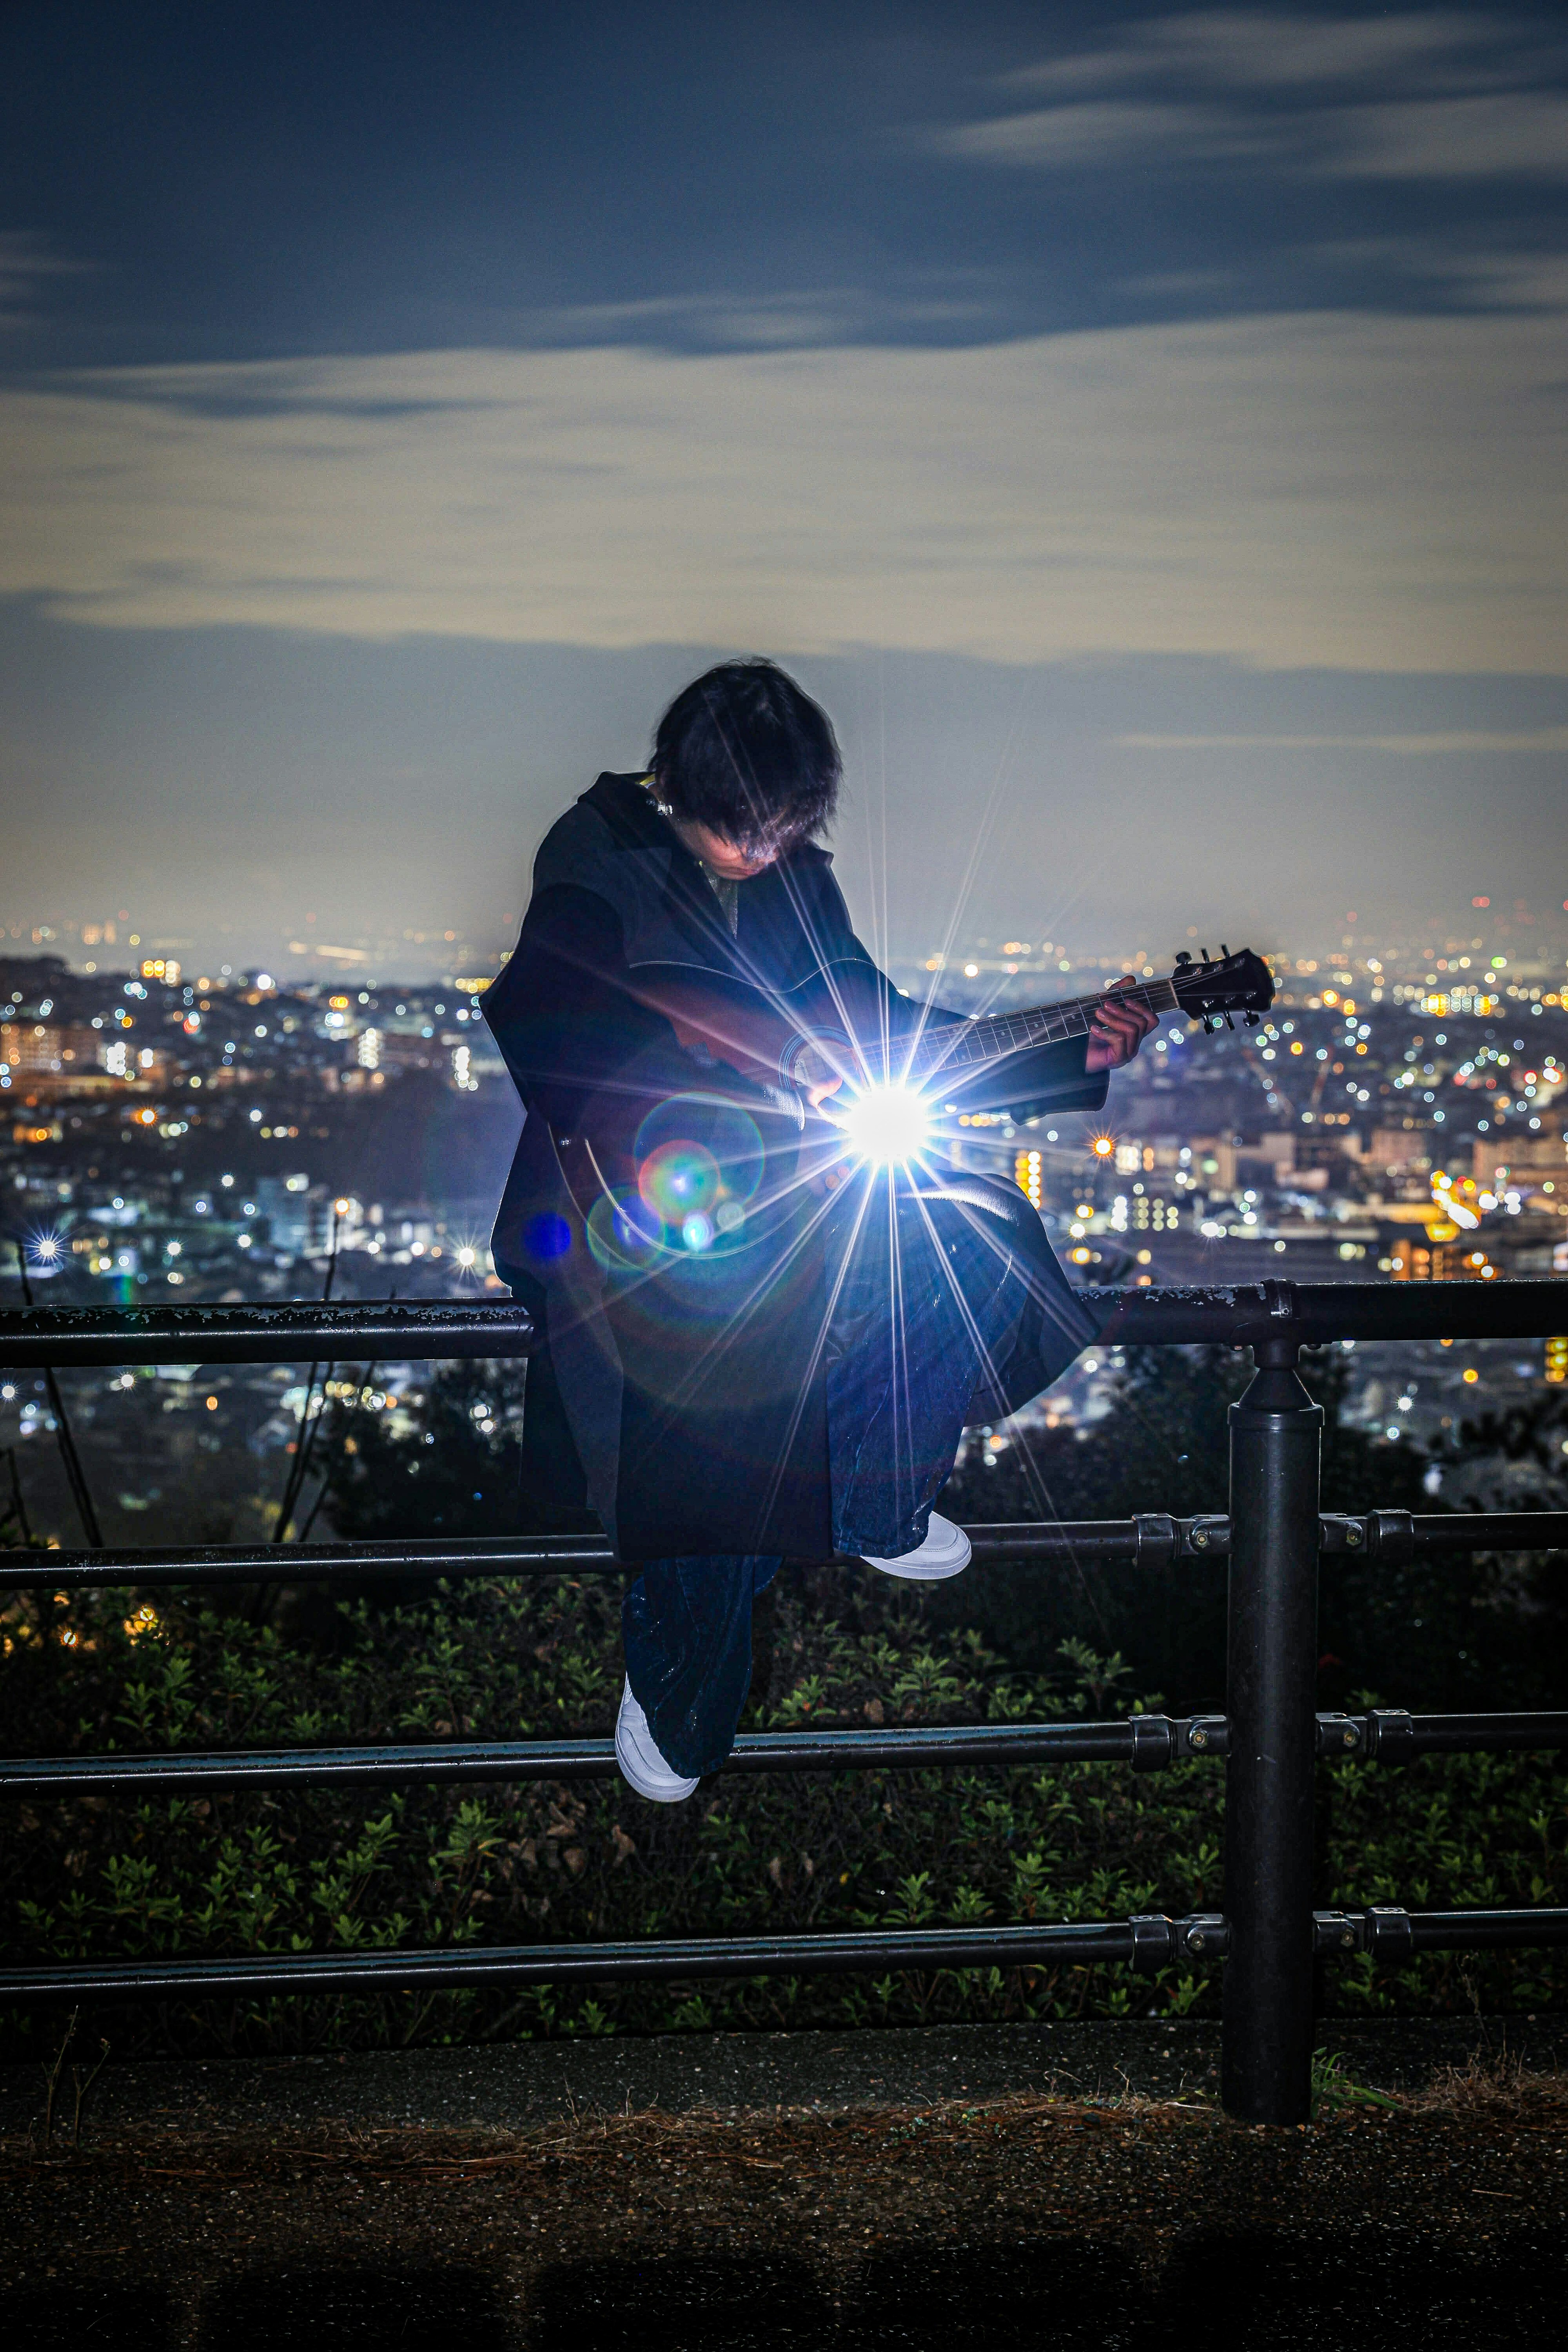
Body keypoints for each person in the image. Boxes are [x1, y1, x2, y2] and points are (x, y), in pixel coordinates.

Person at [483, 660, 1153, 1801]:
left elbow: (873, 1021)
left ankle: (872, 1498)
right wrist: (767, 1046)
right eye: (744, 832)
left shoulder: (796, 879)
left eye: (784, 832)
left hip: (789, 1202)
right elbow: (559, 1026)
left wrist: (1062, 1055)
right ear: (681, 788)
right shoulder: (597, 855)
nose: (760, 854)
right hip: (637, 1226)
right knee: (723, 1428)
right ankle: (682, 1687)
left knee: (982, 1239)